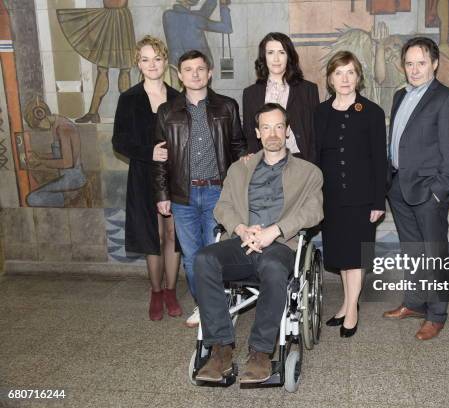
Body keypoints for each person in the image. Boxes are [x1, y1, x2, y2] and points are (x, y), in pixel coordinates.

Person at [193, 103, 323, 384]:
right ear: (257, 132)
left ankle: (261, 352)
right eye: (266, 127)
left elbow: (314, 211)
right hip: (241, 241)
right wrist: (241, 229)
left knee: (273, 266)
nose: (272, 133)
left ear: (287, 131)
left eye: (278, 126)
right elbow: (223, 207)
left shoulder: (309, 172)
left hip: (279, 244)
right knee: (204, 259)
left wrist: (274, 231)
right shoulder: (240, 169)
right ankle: (220, 349)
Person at [152, 49, 246, 328]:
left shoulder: (227, 107)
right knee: (192, 260)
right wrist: (162, 195)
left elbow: (239, 146)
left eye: (200, 69)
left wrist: (243, 180)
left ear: (210, 72)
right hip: (183, 197)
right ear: (179, 76)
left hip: (218, 194)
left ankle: (216, 307)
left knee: (213, 255)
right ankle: (206, 307)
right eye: (188, 69)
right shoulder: (167, 112)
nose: (195, 74)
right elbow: (160, 158)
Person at [383, 37, 449, 341]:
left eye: (421, 62)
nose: (414, 69)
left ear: (435, 63)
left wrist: (439, 192)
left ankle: (437, 314)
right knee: (412, 252)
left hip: (428, 192)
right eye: (409, 63)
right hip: (399, 188)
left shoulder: (447, 99)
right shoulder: (400, 95)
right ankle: (415, 303)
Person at [314, 51, 387, 338]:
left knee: (355, 257)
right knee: (343, 255)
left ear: (358, 77)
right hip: (330, 197)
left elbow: (380, 160)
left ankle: (352, 312)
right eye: (338, 73)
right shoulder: (320, 112)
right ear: (330, 79)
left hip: (361, 198)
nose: (345, 79)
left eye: (350, 72)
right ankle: (346, 304)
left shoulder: (371, 112)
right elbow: (316, 157)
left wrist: (378, 200)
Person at [112, 36, 182, 321]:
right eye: (145, 59)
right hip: (143, 176)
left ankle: (171, 290)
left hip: (176, 177)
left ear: (165, 62)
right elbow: (119, 142)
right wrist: (149, 152)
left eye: (157, 58)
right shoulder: (128, 99)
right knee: (151, 235)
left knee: (172, 235)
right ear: (138, 64)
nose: (152, 64)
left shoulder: (178, 98)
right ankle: (155, 292)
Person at [243, 32, 319, 162]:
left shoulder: (308, 90)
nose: (276, 59)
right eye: (270, 53)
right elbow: (250, 134)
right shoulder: (250, 93)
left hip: (300, 160)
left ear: (289, 57)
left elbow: (315, 133)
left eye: (282, 52)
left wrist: (312, 164)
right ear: (264, 57)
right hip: (265, 162)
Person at [57, 0, 136, 123]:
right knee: (102, 69)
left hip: (121, 20)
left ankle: (130, 113)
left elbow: (117, 3)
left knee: (124, 69)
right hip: (107, 19)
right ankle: (93, 112)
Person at [24, 97, 87, 207]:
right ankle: (66, 199)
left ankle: (69, 200)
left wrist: (42, 162)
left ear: (41, 114)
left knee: (32, 198)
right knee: (37, 193)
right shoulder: (56, 125)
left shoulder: (63, 128)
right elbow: (59, 155)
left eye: (38, 126)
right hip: (66, 177)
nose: (40, 129)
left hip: (74, 179)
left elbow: (67, 163)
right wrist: (39, 156)